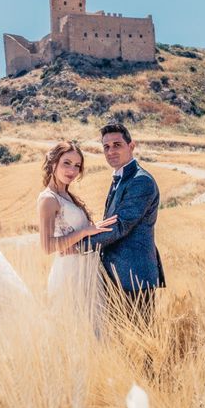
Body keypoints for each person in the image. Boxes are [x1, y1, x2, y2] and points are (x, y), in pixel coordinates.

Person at [84, 124, 165, 326]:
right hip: (116, 275)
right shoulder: (120, 179)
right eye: (106, 147)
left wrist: (80, 244)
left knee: (142, 341)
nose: (111, 151)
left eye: (117, 145)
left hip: (134, 276)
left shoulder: (141, 181)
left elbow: (120, 225)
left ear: (132, 146)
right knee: (120, 340)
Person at [37, 141, 118, 332]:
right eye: (67, 163)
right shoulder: (48, 199)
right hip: (70, 274)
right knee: (75, 330)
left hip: (87, 271)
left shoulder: (66, 195)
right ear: (53, 162)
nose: (72, 170)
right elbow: (47, 246)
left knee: (96, 329)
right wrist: (84, 231)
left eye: (77, 166)